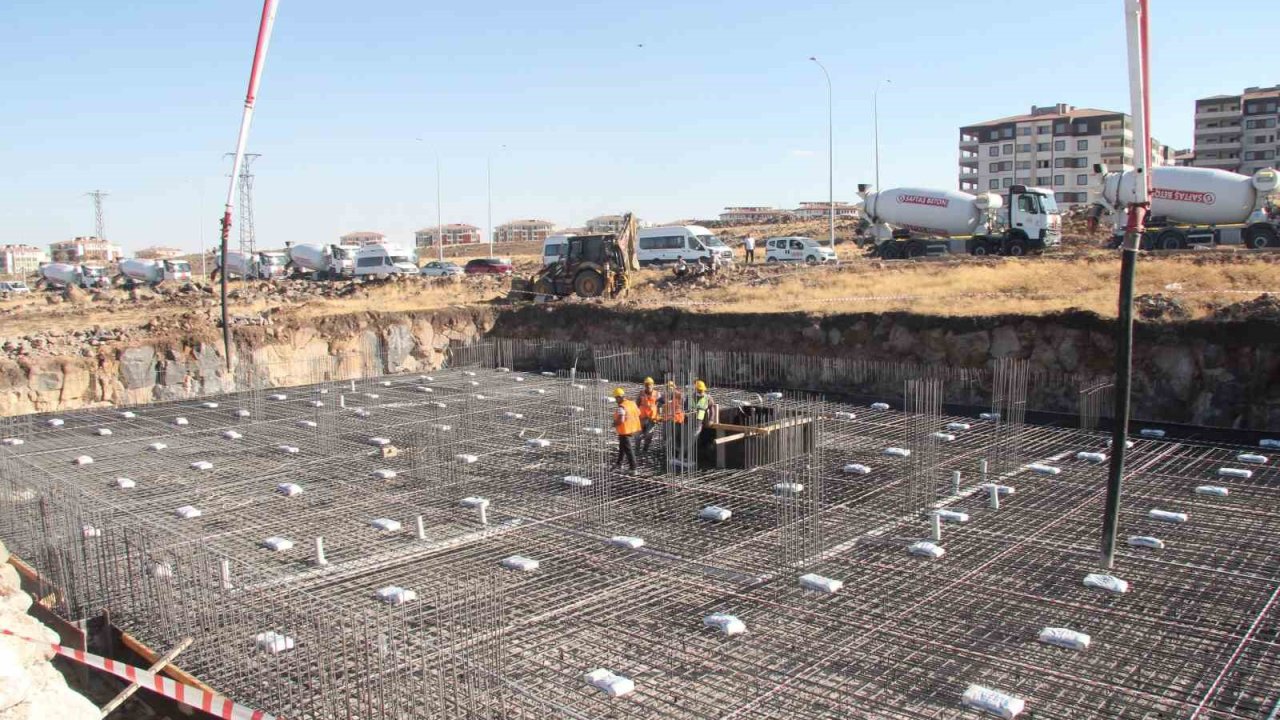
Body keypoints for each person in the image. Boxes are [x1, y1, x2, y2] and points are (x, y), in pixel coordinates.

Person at [611, 387, 641, 472]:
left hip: (625, 431)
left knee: (628, 449)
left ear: (619, 397)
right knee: (622, 447)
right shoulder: (632, 403)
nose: (616, 400)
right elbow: (639, 413)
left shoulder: (621, 407)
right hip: (633, 429)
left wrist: (614, 423)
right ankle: (619, 463)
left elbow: (621, 420)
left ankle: (633, 468)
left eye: (616, 398)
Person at [635, 377, 662, 452]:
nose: (648, 386)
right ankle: (637, 450)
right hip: (641, 418)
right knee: (638, 435)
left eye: (650, 384)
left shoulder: (657, 394)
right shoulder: (641, 393)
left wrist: (658, 416)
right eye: (646, 384)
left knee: (649, 435)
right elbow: (636, 405)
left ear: (653, 385)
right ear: (645, 385)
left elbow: (660, 406)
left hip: (651, 419)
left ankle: (645, 449)